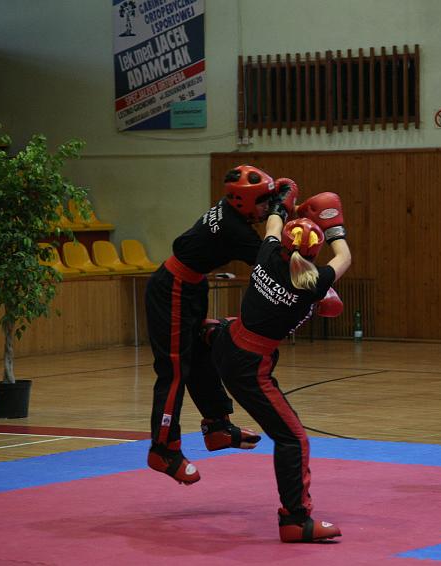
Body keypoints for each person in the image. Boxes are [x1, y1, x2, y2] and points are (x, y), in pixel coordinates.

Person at [209, 193, 351, 542]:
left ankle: (215, 423)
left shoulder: (267, 253)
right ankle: (295, 520)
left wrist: (282, 203)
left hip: (228, 342)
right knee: (293, 438)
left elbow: (273, 224)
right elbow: (345, 257)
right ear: (314, 254)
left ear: (284, 244)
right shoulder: (314, 282)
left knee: (207, 331)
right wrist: (334, 225)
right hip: (250, 366)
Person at [145, 166, 298, 485]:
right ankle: (163, 449)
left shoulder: (232, 210)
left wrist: (276, 206)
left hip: (192, 286)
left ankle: (217, 428)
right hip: (172, 288)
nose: (266, 208)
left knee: (203, 356)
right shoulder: (234, 228)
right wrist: (281, 211)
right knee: (174, 370)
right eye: (263, 202)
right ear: (243, 201)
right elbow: (270, 262)